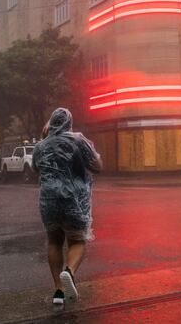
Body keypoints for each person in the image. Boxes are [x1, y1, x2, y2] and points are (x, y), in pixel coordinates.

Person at [32, 107, 102, 306]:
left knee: (54, 241)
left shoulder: (41, 146)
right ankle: (69, 271)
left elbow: (37, 167)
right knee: (77, 241)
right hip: (74, 200)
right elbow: (97, 167)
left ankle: (58, 291)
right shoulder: (78, 141)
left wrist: (43, 138)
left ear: (50, 123)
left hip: (48, 201)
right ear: (69, 123)